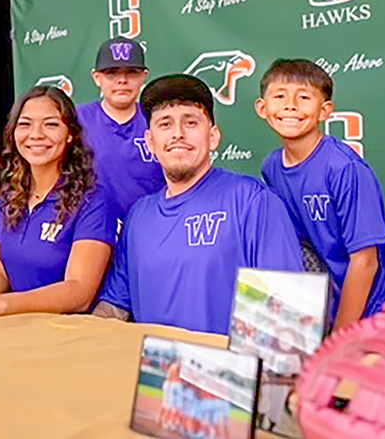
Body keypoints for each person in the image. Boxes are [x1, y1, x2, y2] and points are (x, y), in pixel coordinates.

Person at [94, 74, 304, 334]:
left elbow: (287, 312)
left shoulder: (251, 200)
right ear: (150, 142)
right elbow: (115, 306)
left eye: (191, 122)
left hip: (227, 371)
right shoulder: (138, 216)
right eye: (165, 124)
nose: (178, 134)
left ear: (213, 137)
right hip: (156, 372)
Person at [0, 86, 118, 326]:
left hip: (67, 338)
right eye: (25, 124)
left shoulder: (93, 201)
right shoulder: (11, 196)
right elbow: (0, 274)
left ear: (70, 135)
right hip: (14, 332)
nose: (36, 134)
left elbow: (79, 293)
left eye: (50, 124)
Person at [254, 59, 385, 331]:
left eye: (304, 97)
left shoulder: (345, 169)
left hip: (368, 320)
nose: (290, 106)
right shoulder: (271, 167)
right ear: (262, 108)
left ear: (325, 110)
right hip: (316, 316)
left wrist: (340, 337)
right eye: (280, 96)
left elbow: (365, 261)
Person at [77, 38, 165, 213]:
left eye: (131, 72)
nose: (122, 80)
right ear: (96, 77)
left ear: (144, 76)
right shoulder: (76, 119)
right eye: (111, 72)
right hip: (91, 228)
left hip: (150, 225)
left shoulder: (158, 119)